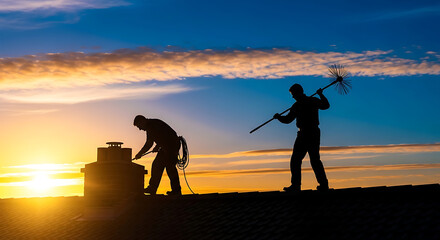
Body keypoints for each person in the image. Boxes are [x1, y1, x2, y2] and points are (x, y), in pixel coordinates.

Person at [273, 83, 330, 192]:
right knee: (299, 160)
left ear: (298, 92)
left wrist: (321, 95)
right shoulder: (302, 104)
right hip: (305, 133)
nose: (293, 97)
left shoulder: (306, 103)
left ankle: (319, 185)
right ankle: (298, 185)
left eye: (293, 94)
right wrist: (279, 117)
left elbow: (326, 106)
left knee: (311, 160)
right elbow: (288, 119)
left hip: (310, 132)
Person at [133, 115, 181, 196]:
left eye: (139, 126)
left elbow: (150, 143)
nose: (140, 129)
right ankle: (152, 188)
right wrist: (158, 145)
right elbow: (153, 141)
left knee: (170, 167)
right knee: (157, 165)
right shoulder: (150, 126)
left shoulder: (152, 125)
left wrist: (140, 153)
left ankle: (176, 191)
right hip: (165, 146)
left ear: (142, 121)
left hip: (172, 145)